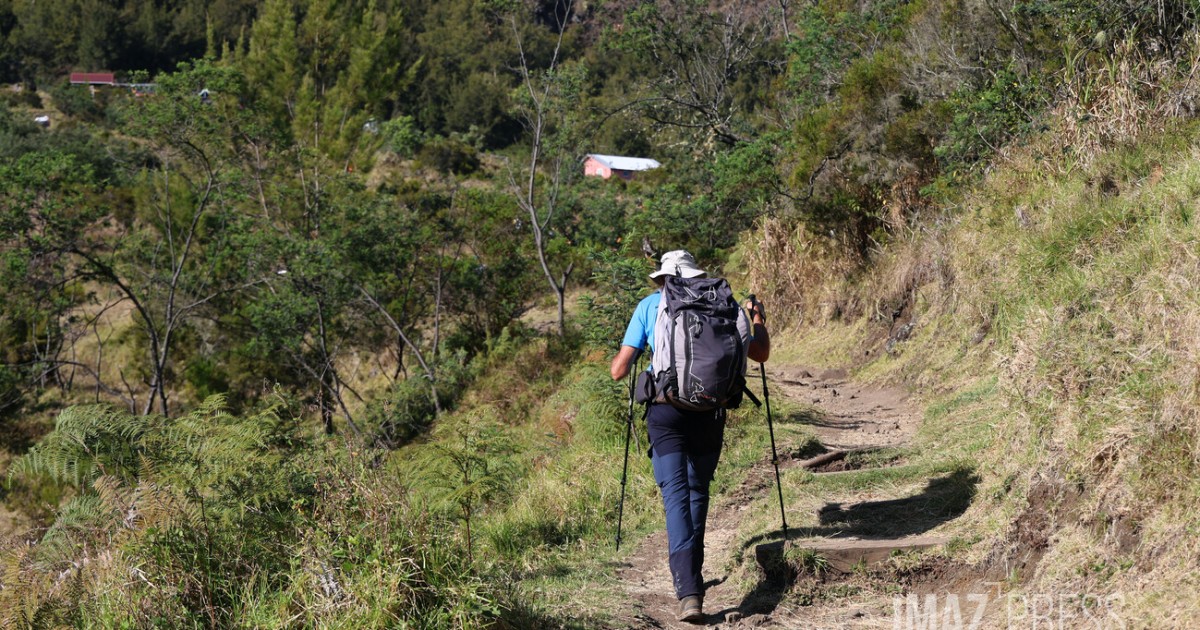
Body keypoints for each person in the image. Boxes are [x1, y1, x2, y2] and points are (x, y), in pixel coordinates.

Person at [610, 249, 770, 623]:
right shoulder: (726, 305)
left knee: (675, 495)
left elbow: (619, 370)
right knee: (697, 491)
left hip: (665, 412)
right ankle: (691, 582)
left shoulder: (650, 305)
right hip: (710, 412)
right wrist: (757, 317)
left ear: (665, 278)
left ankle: (688, 591)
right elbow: (760, 353)